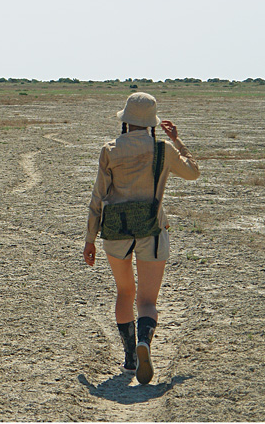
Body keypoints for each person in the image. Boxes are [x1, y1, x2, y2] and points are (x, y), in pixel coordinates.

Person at [82, 92, 200, 384]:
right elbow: (194, 173)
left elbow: (98, 196)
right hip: (153, 231)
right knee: (147, 301)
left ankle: (130, 359)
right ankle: (145, 342)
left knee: (125, 293)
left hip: (115, 233)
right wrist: (177, 140)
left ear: (126, 121)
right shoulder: (164, 150)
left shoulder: (109, 149)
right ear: (152, 123)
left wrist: (89, 239)